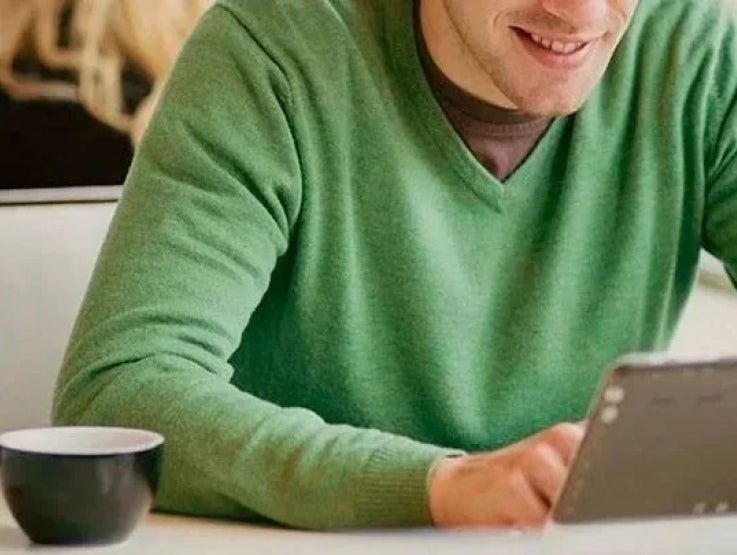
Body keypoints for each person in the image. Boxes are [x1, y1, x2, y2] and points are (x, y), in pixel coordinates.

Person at [52, 0, 737, 530]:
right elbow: (117, 392)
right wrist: (436, 483)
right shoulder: (274, 53)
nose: (580, 14)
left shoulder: (701, 52)